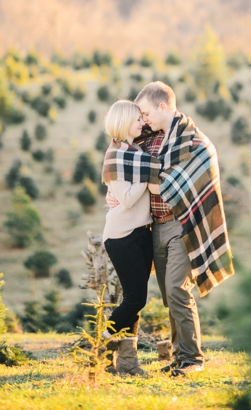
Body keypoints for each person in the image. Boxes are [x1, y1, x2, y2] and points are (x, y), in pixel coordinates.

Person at [130, 81, 234, 376]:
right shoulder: (149, 139)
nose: (144, 119)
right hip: (157, 227)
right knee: (168, 293)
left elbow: (172, 184)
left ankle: (193, 360)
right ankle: (178, 356)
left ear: (163, 107)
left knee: (178, 288)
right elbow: (128, 159)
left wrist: (152, 182)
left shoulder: (194, 141)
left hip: (183, 223)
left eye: (146, 113)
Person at [100, 100, 163, 376]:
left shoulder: (137, 151)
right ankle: (99, 346)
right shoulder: (116, 155)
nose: (142, 123)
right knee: (135, 300)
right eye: (137, 119)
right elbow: (125, 199)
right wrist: (147, 178)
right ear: (125, 121)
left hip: (141, 233)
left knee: (133, 302)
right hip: (121, 236)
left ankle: (128, 364)